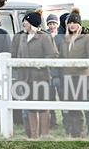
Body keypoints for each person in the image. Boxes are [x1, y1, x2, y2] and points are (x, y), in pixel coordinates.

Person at [12, 9, 58, 139]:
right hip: (25, 78)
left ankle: (44, 134)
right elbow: (16, 55)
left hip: (41, 78)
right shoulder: (21, 37)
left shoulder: (44, 37)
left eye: (25, 21)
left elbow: (53, 55)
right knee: (31, 107)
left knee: (43, 107)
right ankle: (33, 135)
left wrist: (40, 64)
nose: (23, 24)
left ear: (31, 23)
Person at [58, 8, 89, 137]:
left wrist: (80, 65)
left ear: (79, 24)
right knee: (71, 103)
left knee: (83, 101)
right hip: (67, 76)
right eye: (69, 23)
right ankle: (76, 132)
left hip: (83, 76)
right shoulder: (64, 39)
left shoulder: (87, 38)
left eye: (74, 23)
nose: (72, 25)